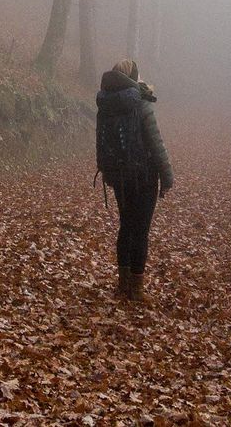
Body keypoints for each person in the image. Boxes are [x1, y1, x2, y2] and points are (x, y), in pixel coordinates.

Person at [95, 57, 174, 302]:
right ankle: (137, 290)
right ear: (132, 77)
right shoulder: (140, 104)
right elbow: (156, 143)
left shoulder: (105, 105)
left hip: (119, 176)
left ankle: (123, 283)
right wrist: (167, 175)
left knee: (126, 226)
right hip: (144, 176)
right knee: (141, 231)